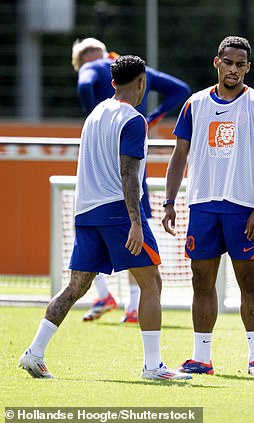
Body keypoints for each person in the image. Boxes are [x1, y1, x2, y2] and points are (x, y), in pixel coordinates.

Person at [18, 55, 190, 381]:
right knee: (151, 282)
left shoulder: (94, 115)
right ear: (142, 83)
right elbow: (128, 173)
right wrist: (137, 222)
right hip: (118, 213)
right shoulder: (134, 120)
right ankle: (153, 367)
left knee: (75, 288)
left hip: (86, 212)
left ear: (112, 83)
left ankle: (34, 353)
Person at [162, 36, 254, 377]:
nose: (234, 69)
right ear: (217, 62)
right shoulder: (194, 104)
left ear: (247, 68)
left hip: (242, 207)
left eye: (240, 64)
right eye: (228, 62)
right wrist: (170, 201)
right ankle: (202, 358)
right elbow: (178, 156)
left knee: (249, 281)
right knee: (201, 281)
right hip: (202, 204)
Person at [72, 37, 191, 324]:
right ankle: (134, 310)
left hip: (91, 195)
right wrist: (154, 117)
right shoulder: (132, 85)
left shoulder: (93, 84)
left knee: (78, 279)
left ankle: (103, 297)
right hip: (123, 188)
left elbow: (85, 85)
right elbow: (181, 90)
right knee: (142, 259)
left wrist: (92, 112)